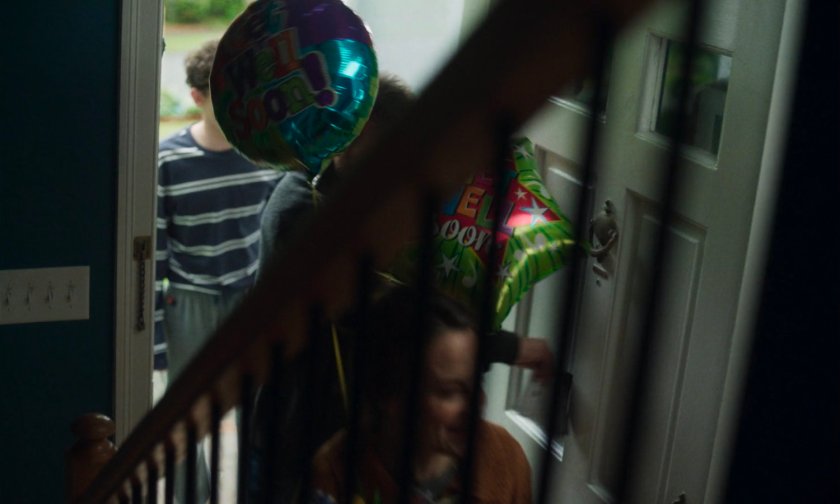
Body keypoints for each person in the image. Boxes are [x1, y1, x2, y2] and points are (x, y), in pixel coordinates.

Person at [154, 39, 281, 503]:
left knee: (256, 407)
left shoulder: (264, 158)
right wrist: (157, 343)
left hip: (247, 298)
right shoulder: (168, 161)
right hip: (188, 301)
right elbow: (155, 253)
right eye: (222, 95)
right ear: (197, 98)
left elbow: (275, 234)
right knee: (185, 416)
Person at [312, 285, 533, 504]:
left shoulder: (505, 457)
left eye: (478, 382)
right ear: (388, 394)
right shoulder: (332, 477)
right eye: (449, 392)